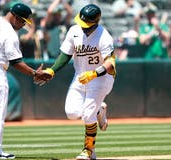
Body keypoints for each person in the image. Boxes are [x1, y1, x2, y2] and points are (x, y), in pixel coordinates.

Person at [35, 4, 116, 160]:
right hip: (80, 75)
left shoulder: (104, 36)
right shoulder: (74, 31)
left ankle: (89, 150)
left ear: (96, 22)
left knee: (87, 115)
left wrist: (94, 73)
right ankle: (99, 110)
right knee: (72, 113)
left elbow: (110, 63)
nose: (82, 26)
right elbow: (65, 54)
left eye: (86, 24)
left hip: (101, 78)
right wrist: (51, 70)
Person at [0, 2, 51, 159]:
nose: (23, 25)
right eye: (23, 21)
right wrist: (35, 73)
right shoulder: (9, 33)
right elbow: (16, 61)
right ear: (15, 16)